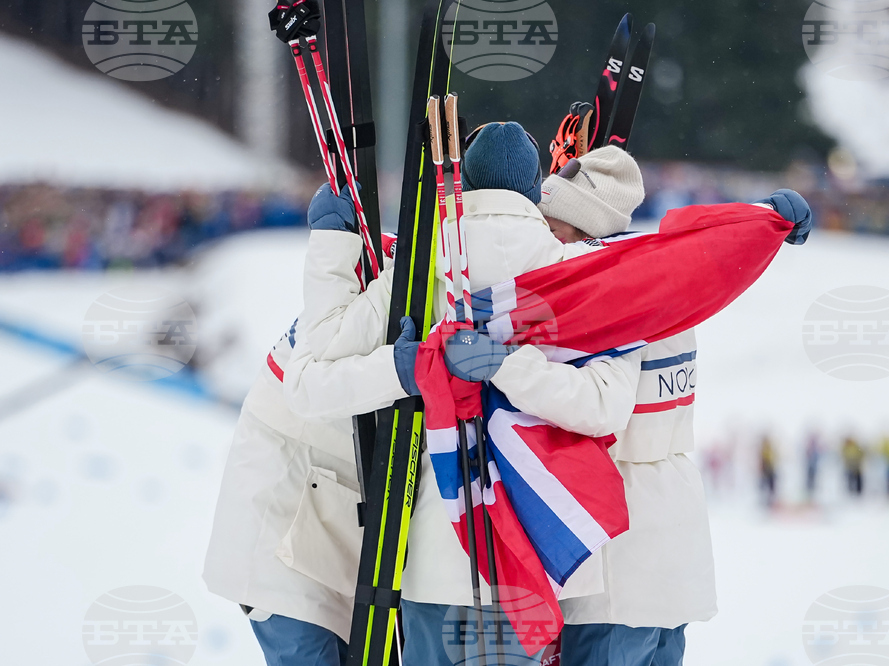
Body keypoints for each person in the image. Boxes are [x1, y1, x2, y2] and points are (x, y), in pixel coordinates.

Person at [280, 123, 638, 666]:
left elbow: (314, 369)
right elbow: (604, 406)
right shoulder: (582, 272)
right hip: (542, 552)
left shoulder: (419, 265)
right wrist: (516, 368)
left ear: (463, 182)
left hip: (431, 551)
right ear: (538, 188)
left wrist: (334, 250)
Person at [452, 146, 813, 666]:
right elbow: (706, 248)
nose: (541, 245)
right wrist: (762, 219)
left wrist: (503, 365)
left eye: (549, 227)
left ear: (581, 231)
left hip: (617, 557)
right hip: (672, 547)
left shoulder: (606, 294)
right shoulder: (661, 279)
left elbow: (592, 403)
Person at [201, 183, 395, 666]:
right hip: (281, 546)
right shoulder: (327, 332)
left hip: (323, 545)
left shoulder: (350, 306)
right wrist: (403, 369)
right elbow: (317, 394)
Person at [760, 435, 778, 507]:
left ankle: (770, 502)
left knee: (771, 488)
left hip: (770, 471)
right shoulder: (764, 450)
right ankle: (767, 502)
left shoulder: (768, 450)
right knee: (766, 488)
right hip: (766, 472)